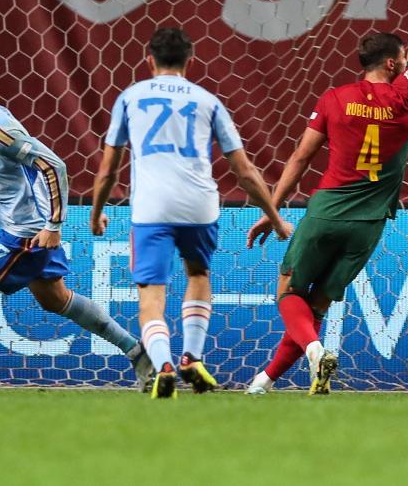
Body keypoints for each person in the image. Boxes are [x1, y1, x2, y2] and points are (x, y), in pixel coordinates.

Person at [244, 0, 408, 396]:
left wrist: (271, 209)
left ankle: (312, 355)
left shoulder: (335, 99)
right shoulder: (405, 95)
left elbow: (298, 158)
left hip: (328, 209)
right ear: (395, 64)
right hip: (370, 223)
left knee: (290, 295)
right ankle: (261, 385)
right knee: (316, 309)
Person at [0, 64, 153, 390]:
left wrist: (54, 224)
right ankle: (137, 351)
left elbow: (53, 165)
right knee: (57, 300)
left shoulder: (0, 130)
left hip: (25, 236)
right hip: (26, 231)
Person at [90, 27, 290, 399]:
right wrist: (276, 219)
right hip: (200, 205)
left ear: (148, 59)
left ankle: (163, 363)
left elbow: (109, 170)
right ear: (190, 61)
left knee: (151, 294)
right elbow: (244, 171)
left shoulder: (130, 98)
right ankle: (192, 357)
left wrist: (97, 212)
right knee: (198, 273)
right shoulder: (208, 101)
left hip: (152, 207)